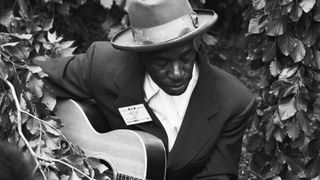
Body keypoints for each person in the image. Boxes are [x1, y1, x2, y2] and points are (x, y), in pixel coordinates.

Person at [36, 0, 255, 179]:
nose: (178, 73)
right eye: (162, 63)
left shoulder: (233, 101)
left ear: (196, 43)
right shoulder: (103, 66)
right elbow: (33, 76)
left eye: (186, 58)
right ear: (139, 55)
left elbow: (217, 175)